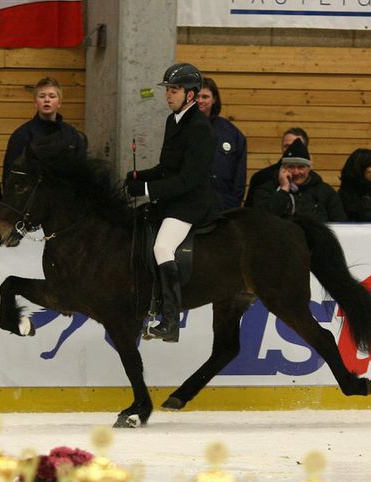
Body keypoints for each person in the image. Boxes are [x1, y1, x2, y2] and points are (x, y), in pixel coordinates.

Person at [125, 63, 217, 343]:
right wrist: (139, 176)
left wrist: (148, 188)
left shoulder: (200, 128)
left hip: (191, 202)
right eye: (168, 90)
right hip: (173, 197)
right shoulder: (173, 121)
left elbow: (189, 178)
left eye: (174, 90)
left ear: (190, 95)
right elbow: (168, 167)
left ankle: (170, 318)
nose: (169, 95)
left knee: (163, 246)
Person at [2, 76, 86, 186]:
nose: (47, 100)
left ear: (59, 103)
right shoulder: (21, 135)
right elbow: (10, 175)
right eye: (42, 96)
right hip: (32, 198)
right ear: (35, 103)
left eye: (52, 96)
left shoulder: (71, 135)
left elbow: (82, 174)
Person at [251, 138, 347, 222]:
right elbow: (261, 219)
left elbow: (341, 224)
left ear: (309, 168)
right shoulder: (266, 190)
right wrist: (283, 190)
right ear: (282, 168)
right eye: (291, 167)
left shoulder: (325, 192)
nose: (296, 172)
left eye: (301, 167)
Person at [196, 77, 247, 210]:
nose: (200, 100)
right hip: (192, 205)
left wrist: (234, 202)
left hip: (224, 205)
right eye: (197, 96)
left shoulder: (232, 133)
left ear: (214, 99)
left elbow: (240, 174)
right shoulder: (181, 129)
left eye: (205, 96)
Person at [244, 127, 309, 207]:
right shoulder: (262, 178)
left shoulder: (314, 181)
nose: (292, 149)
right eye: (287, 146)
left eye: (297, 146)